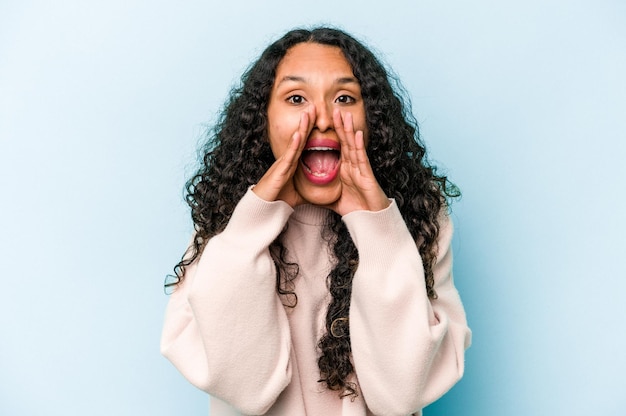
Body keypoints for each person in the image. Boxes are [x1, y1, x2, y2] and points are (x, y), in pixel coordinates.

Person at [161, 26, 471, 416]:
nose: (322, 119)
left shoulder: (422, 219)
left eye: (344, 97)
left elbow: (400, 395)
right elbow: (245, 388)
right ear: (264, 120)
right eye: (296, 98)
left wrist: (377, 226)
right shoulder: (225, 224)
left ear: (371, 118)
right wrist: (254, 220)